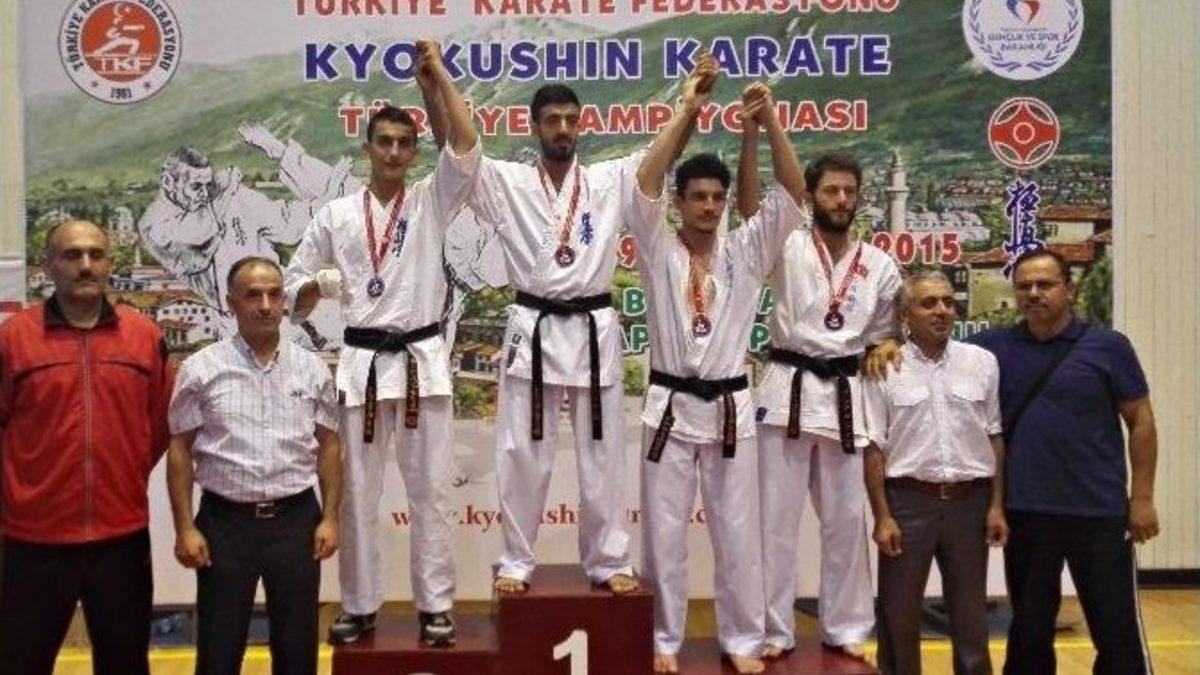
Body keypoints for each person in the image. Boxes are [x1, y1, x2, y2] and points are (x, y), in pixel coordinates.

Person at [284, 39, 480, 646]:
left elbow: (465, 148)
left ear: (414, 152)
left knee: (431, 494)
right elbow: (291, 284)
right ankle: (359, 604)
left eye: (404, 143)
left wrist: (435, 80)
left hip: (421, 363)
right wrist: (320, 285)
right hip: (363, 365)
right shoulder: (337, 216)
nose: (394, 152)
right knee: (358, 496)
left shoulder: (432, 200)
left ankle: (436, 606)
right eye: (384, 142)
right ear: (366, 149)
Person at [471, 79, 676, 596]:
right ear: (535, 126)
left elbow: (655, 163)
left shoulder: (608, 179)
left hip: (592, 327)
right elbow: (464, 146)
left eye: (570, 119)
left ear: (580, 124)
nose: (563, 129)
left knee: (604, 454)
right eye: (552, 120)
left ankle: (608, 558)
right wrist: (437, 85)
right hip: (534, 327)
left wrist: (690, 107)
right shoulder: (510, 181)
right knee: (522, 452)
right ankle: (516, 559)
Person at [631, 74, 808, 675]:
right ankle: (663, 639)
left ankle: (742, 639)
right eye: (697, 197)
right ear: (679, 203)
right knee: (663, 536)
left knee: (737, 534)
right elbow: (645, 180)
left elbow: (793, 192)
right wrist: (688, 109)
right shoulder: (657, 248)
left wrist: (771, 119)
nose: (708, 206)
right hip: (669, 409)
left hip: (731, 411)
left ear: (725, 202)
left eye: (716, 197)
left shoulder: (747, 251)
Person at [739, 151, 902, 659]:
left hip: (845, 398)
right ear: (810, 197)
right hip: (786, 391)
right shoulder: (788, 245)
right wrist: (755, 133)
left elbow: (885, 334)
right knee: (775, 525)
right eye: (832, 190)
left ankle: (847, 628)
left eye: (849, 191)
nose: (842, 200)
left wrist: (887, 344)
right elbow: (749, 209)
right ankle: (774, 629)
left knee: (846, 522)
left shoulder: (879, 265)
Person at [971, 249, 1158, 675]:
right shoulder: (992, 348)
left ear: (1069, 290)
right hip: (1027, 511)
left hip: (1099, 511)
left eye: (1046, 284)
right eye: (1024, 286)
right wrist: (888, 346)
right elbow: (934, 348)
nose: (1034, 293)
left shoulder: (1108, 346)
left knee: (1115, 628)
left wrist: (1142, 498)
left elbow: (1141, 421)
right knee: (1030, 629)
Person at [0, 220, 172, 675]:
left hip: (122, 540)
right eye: (71, 255)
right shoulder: (13, 339)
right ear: (48, 266)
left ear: (110, 263)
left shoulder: (144, 338)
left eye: (96, 254)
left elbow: (157, 428)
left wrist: (122, 476)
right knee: (20, 663)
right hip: (33, 541)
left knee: (124, 664)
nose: (85, 265)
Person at [167, 256, 343, 675]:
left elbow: (329, 446)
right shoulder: (201, 369)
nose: (265, 305)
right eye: (252, 296)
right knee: (219, 651)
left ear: (285, 301)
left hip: (296, 523)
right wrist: (184, 528)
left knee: (298, 651)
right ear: (232, 304)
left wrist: (330, 517)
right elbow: (180, 450)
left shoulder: (313, 369)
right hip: (225, 525)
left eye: (273, 294)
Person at [863, 270, 1009, 675]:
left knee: (971, 615)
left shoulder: (982, 362)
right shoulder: (885, 366)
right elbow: (873, 448)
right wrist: (883, 516)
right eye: (928, 303)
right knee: (899, 615)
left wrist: (996, 506)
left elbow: (995, 436)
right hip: (908, 503)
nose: (941, 310)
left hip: (971, 503)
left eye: (947, 301)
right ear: (905, 315)